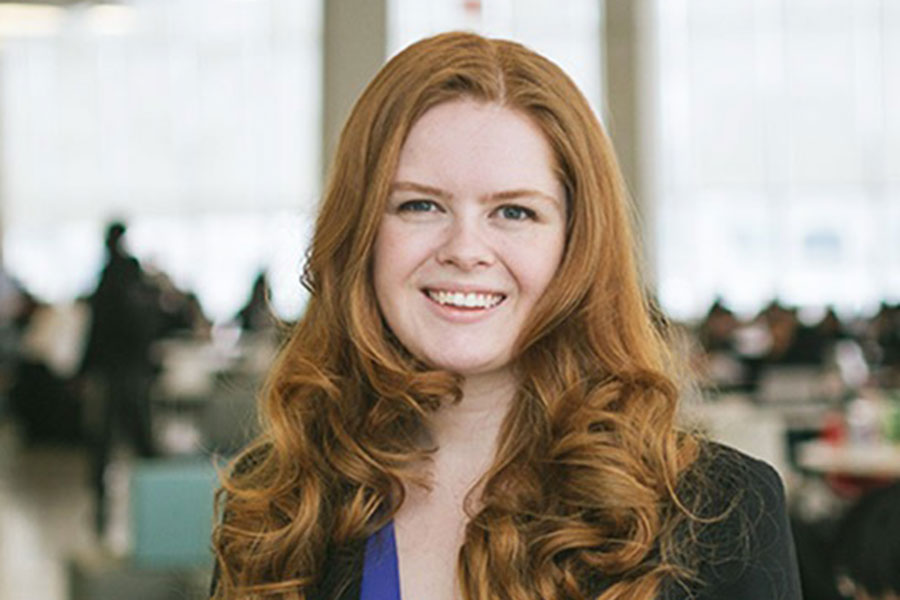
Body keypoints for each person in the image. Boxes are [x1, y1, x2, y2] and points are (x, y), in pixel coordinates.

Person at [211, 32, 801, 600]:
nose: (465, 249)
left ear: (577, 243)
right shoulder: (278, 504)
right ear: (361, 233)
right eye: (419, 205)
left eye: (514, 213)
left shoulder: (719, 512)